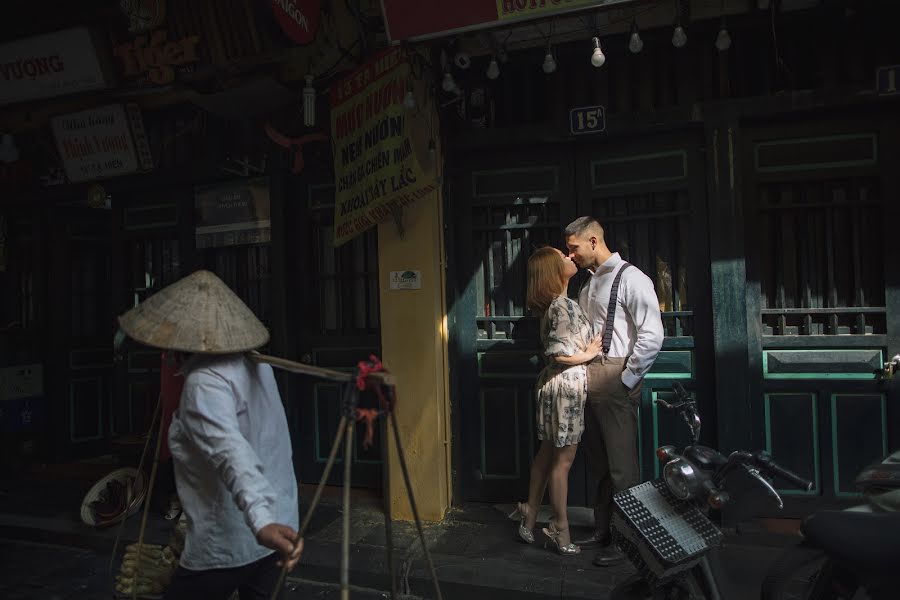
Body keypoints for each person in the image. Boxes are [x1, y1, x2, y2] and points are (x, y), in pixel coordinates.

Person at [117, 269, 303, 599]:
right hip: (277, 526)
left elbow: (231, 452)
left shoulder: (205, 382)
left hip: (231, 538)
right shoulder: (258, 365)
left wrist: (261, 521)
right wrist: (270, 520)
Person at [564, 216, 664, 567]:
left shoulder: (632, 279)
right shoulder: (588, 285)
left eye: (573, 248)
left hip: (616, 374)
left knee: (623, 469)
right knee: (600, 464)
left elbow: (652, 334)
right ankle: (603, 529)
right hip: (589, 377)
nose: (570, 255)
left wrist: (627, 378)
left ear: (593, 241)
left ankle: (628, 544)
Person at [514, 247, 604, 555]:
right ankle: (559, 527)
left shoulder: (556, 305)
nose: (570, 257)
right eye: (562, 256)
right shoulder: (561, 306)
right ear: (554, 270)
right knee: (562, 462)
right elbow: (558, 353)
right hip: (566, 386)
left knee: (547, 454)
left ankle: (529, 513)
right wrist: (590, 354)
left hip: (557, 385)